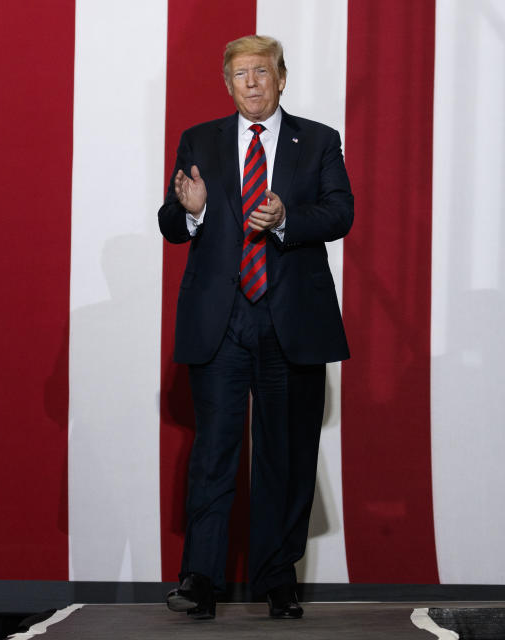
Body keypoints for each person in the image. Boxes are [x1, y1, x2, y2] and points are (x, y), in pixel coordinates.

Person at [158, 35, 354, 621]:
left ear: (281, 78)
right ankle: (201, 580)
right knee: (215, 452)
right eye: (240, 74)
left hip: (289, 316)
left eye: (261, 72)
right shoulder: (200, 140)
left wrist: (289, 217)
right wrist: (191, 208)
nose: (251, 82)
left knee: (285, 454)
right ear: (228, 84)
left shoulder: (317, 139)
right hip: (221, 321)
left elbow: (341, 211)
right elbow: (170, 223)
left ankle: (277, 580)